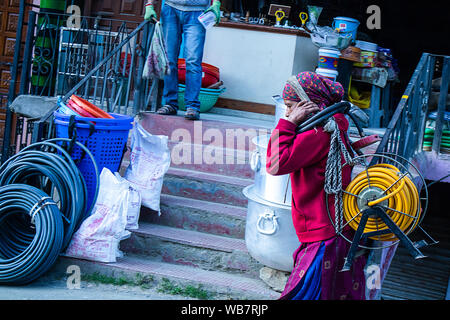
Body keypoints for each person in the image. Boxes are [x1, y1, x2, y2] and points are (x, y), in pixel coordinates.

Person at [266, 71, 367, 300]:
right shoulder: (332, 128)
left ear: (309, 105)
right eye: (287, 108)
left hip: (323, 235)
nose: (288, 112)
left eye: (291, 106)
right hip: (332, 229)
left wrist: (288, 123)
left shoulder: (318, 133)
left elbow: (274, 164)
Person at [144, 0, 221, 120]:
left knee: (193, 61)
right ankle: (170, 104)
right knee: (169, 60)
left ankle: (192, 106)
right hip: (170, 9)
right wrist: (149, 4)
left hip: (197, 12)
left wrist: (216, 3)